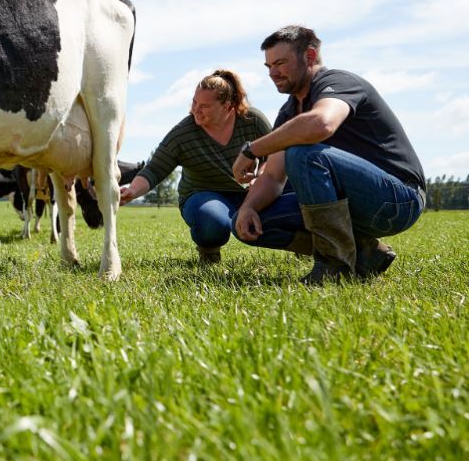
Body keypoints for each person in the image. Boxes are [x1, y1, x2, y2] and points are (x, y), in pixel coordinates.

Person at [231, 25, 426, 283]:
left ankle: (334, 267)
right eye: (268, 67)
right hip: (351, 203)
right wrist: (247, 208)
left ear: (310, 57)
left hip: (397, 200)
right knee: (252, 220)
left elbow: (322, 124)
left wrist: (252, 149)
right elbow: (273, 177)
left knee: (303, 153)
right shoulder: (289, 112)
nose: (273, 73)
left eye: (280, 63)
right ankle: (363, 254)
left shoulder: (338, 83)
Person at [119, 70, 291, 264]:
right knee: (212, 221)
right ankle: (209, 250)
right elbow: (155, 169)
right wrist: (132, 191)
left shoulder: (252, 120)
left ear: (227, 106)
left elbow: (274, 155)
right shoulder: (183, 133)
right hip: (203, 194)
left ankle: (307, 244)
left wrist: (260, 175)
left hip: (248, 192)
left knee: (293, 183)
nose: (195, 110)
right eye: (194, 103)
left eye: (204, 106)